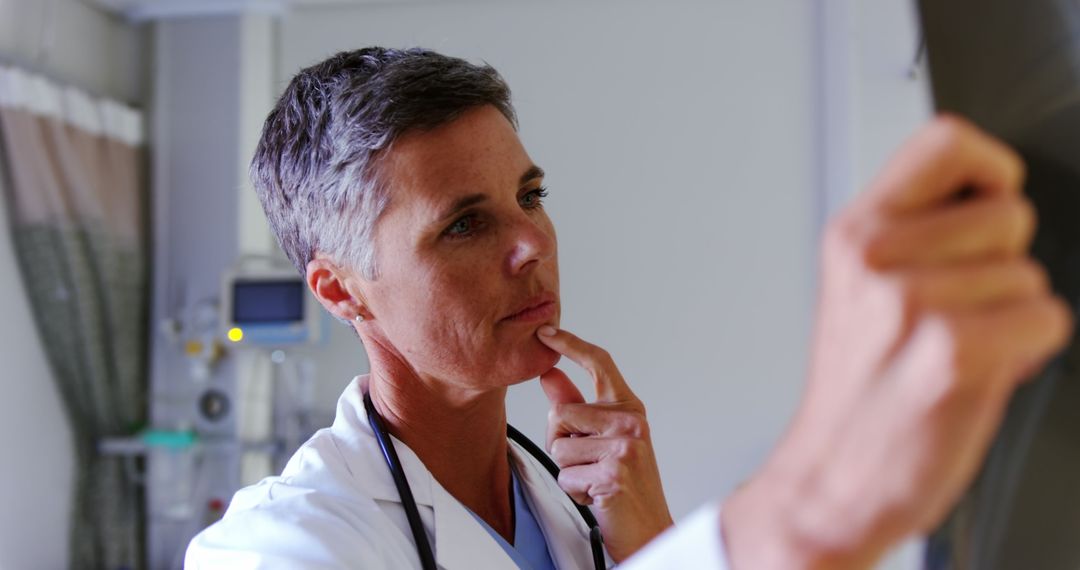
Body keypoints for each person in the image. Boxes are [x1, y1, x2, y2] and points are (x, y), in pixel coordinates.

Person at [186, 47, 1071, 570]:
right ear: (341, 289)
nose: (530, 242)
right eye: (463, 224)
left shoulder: (573, 507)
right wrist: (807, 506)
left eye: (531, 194)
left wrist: (646, 539)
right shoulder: (282, 545)